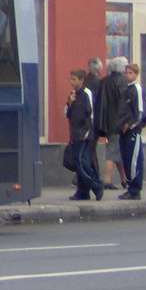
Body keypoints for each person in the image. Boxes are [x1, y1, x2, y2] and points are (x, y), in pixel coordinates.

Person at [63, 67, 103, 201]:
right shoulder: (73, 95)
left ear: (81, 80)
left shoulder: (87, 93)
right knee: (78, 164)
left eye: (74, 79)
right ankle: (82, 192)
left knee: (82, 164)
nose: (72, 82)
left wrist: (84, 133)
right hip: (74, 134)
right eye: (71, 79)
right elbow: (67, 114)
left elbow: (90, 115)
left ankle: (97, 185)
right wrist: (69, 103)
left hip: (83, 135)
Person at [93, 56, 128, 189]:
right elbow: (124, 102)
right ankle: (107, 180)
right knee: (112, 152)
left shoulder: (105, 81)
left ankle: (124, 179)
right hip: (118, 122)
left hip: (107, 121)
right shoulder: (122, 81)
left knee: (116, 151)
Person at [117, 60, 146, 200]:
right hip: (123, 131)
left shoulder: (137, 89)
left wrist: (130, 125)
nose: (127, 75)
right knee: (126, 159)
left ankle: (135, 189)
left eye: (130, 73)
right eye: (126, 73)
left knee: (134, 160)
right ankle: (130, 187)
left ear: (136, 74)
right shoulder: (126, 89)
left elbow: (140, 112)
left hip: (133, 131)